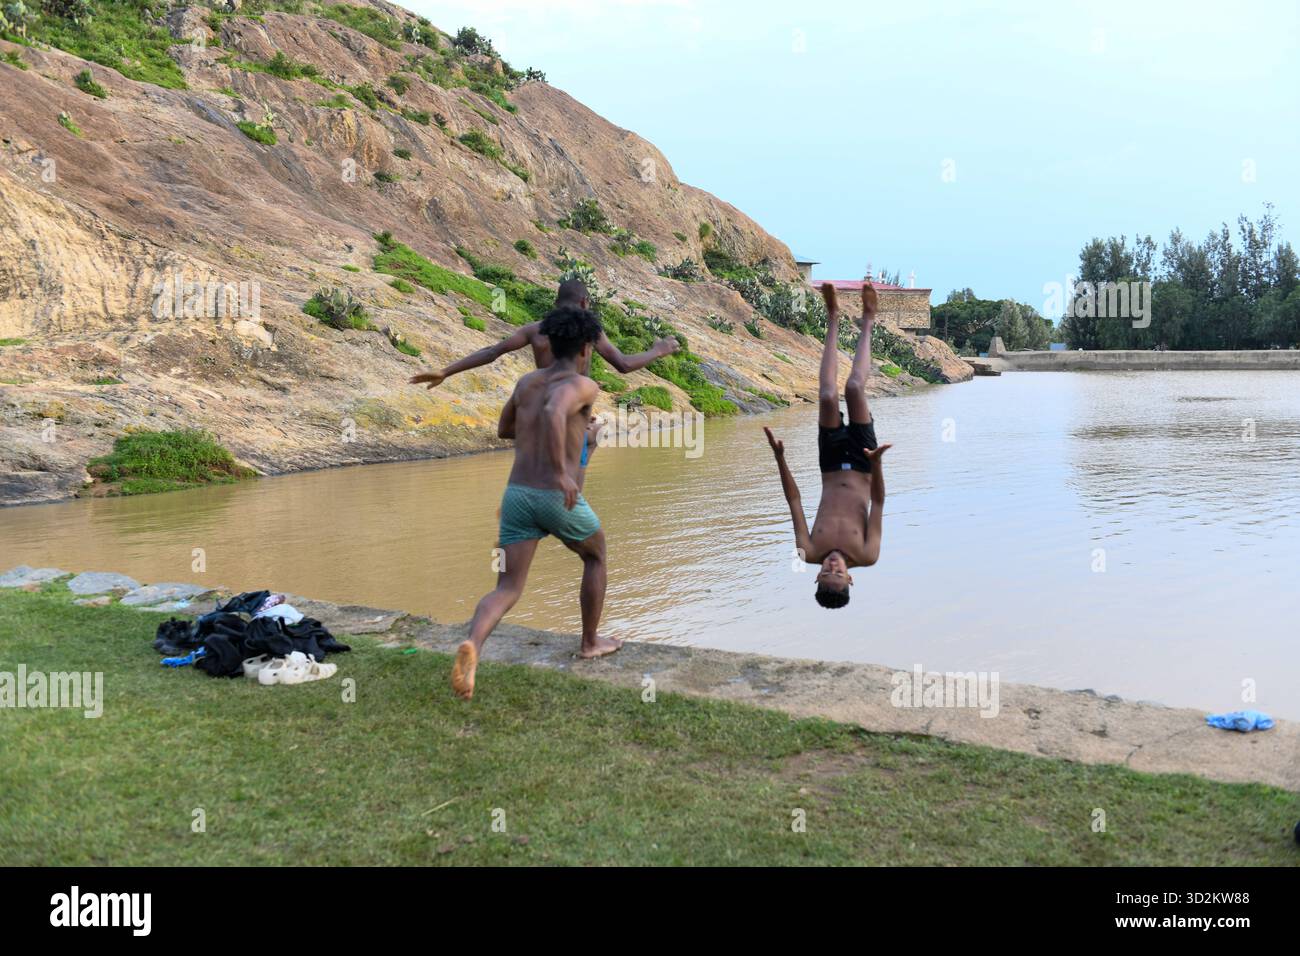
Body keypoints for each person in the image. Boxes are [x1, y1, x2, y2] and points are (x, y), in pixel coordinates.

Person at [450, 302, 622, 700]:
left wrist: (582, 440)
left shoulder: (527, 382)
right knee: (596, 555)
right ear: (584, 349)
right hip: (553, 495)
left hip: (517, 495)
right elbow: (553, 408)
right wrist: (562, 471)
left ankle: (474, 644)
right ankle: (590, 643)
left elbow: (505, 428)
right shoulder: (584, 386)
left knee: (507, 588)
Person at [409, 279, 676, 479]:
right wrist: (658, 350)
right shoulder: (589, 331)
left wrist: (446, 371)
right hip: (571, 416)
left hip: (539, 406)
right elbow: (624, 364)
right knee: (594, 436)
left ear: (555, 304)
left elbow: (492, 352)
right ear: (585, 303)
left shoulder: (534, 330)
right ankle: (572, 491)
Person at [763, 282, 891, 609]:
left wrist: (780, 459)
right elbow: (877, 502)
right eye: (839, 573)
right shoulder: (867, 554)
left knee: (827, 395)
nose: (833, 565)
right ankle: (868, 319)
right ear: (851, 578)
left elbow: (793, 499)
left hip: (831, 464)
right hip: (864, 465)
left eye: (826, 572)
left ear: (816, 575)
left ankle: (832, 316)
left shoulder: (807, 549)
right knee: (855, 389)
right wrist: (876, 463)